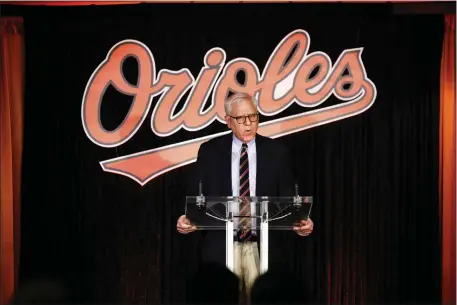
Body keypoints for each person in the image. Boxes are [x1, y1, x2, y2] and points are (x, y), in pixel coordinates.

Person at [177, 92, 314, 299]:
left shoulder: (278, 153)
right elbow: (195, 197)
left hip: (263, 246)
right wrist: (186, 219)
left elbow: (288, 201)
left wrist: (301, 222)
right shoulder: (209, 151)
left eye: (253, 117)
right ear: (228, 121)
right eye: (241, 119)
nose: (249, 124)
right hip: (222, 246)